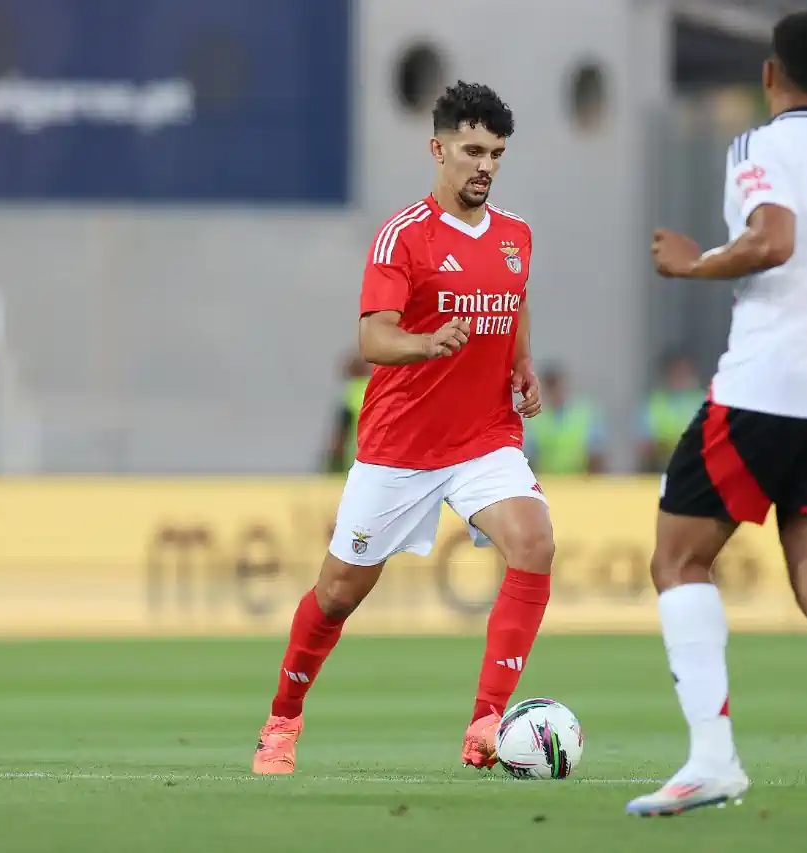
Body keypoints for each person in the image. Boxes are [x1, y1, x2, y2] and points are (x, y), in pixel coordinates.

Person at [625, 11, 807, 817]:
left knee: (679, 557)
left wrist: (695, 265)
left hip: (765, 389)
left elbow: (773, 239)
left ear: (769, 75)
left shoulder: (758, 147)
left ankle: (712, 758)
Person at [252, 81, 551, 775]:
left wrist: (522, 364)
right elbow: (372, 338)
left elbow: (515, 301)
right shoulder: (403, 236)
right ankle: (282, 721)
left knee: (534, 542)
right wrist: (427, 344)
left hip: (485, 438)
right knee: (337, 593)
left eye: (497, 154)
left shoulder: (516, 235)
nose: (485, 165)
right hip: (401, 448)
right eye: (472, 150)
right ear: (438, 148)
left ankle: (486, 722)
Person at [522, 365, 607, 475]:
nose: (554, 391)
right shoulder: (535, 418)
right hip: (548, 485)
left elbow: (597, 455)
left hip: (580, 484)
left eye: (555, 385)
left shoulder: (584, 412)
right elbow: (529, 458)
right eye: (550, 386)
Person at [637, 351, 706, 474]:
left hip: (697, 472)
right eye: (676, 372)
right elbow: (645, 448)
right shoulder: (654, 404)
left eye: (684, 372)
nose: (680, 376)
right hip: (661, 472)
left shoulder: (703, 401)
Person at [322, 351, 371, 474]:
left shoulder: (351, 394)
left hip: (355, 461)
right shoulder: (377, 389)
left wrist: (333, 464)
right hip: (379, 461)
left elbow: (341, 434)